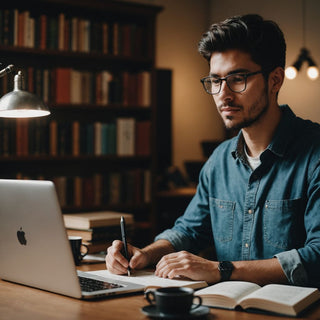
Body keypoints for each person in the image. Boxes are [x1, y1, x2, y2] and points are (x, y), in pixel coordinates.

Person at [106, 14, 320, 288]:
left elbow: (316, 257)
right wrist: (145, 254)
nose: (223, 94)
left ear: (275, 80)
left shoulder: (314, 156)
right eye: (215, 81)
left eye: (238, 79)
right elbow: (190, 230)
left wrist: (221, 269)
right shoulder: (220, 160)